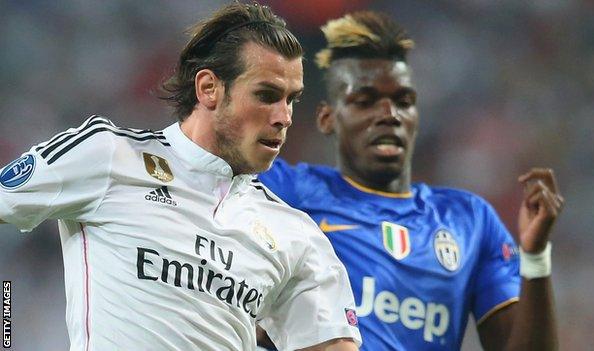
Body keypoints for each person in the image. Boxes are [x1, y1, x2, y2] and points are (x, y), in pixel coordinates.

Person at [0, 3, 361, 351]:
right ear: (209, 89)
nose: (284, 117)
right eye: (266, 95)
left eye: (291, 99)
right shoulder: (108, 156)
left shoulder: (297, 236)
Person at [258, 11, 564, 350]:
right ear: (328, 118)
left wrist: (535, 257)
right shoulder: (286, 191)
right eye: (365, 101)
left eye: (403, 101)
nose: (389, 114)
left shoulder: (470, 221)